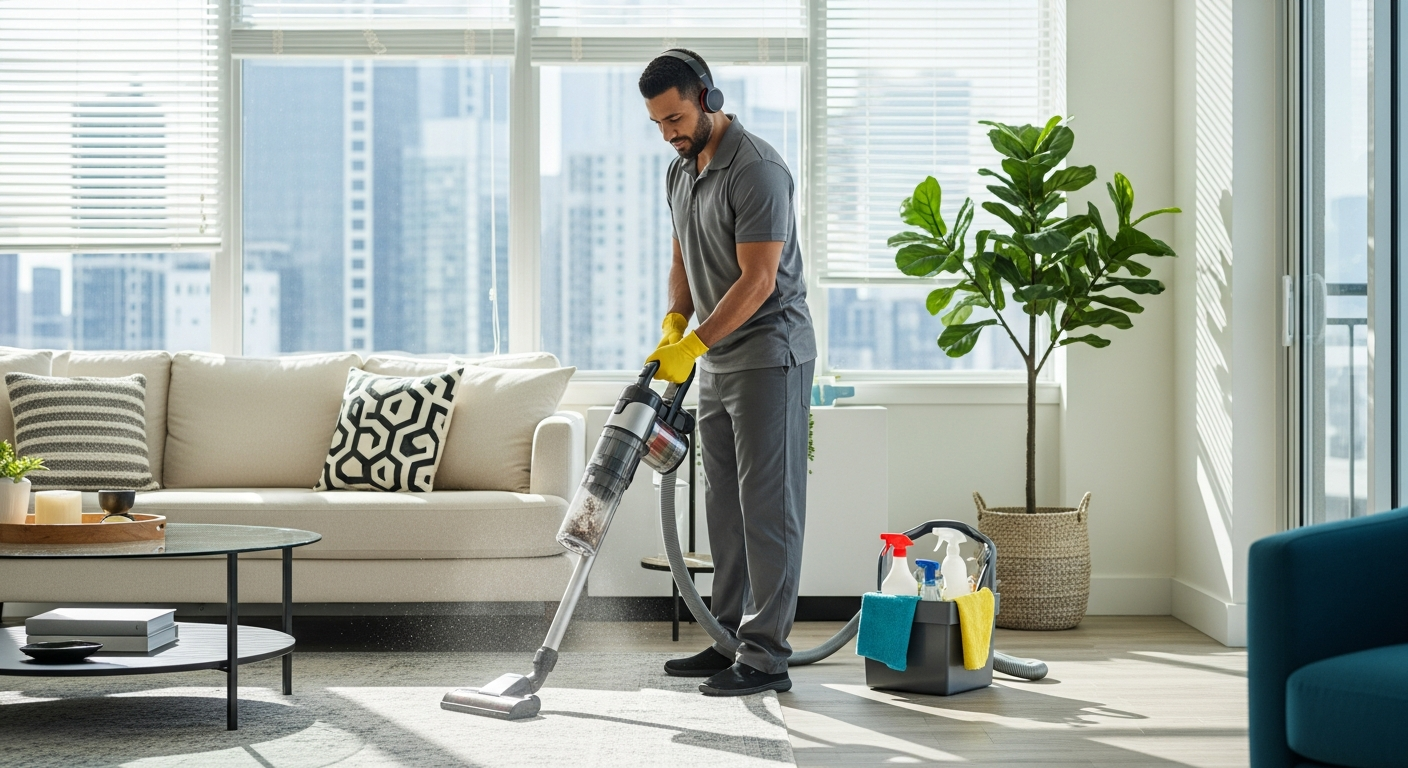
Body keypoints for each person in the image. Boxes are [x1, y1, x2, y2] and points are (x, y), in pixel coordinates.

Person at [638, 49, 816, 697]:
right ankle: (729, 637)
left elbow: (759, 279)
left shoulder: (758, 170)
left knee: (768, 507)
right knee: (723, 507)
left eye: (677, 117)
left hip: (771, 354)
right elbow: (682, 256)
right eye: (658, 123)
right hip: (716, 357)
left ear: (709, 100)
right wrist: (674, 324)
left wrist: (695, 343)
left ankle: (765, 658)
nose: (669, 133)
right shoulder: (680, 172)